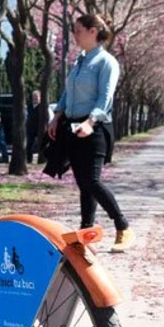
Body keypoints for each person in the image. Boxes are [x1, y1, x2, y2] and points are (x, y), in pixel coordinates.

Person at [48, 13, 133, 252]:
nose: (74, 35)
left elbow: (105, 97)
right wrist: (57, 115)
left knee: (92, 180)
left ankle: (123, 226)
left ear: (93, 31)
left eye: (78, 30)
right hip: (73, 126)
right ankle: (87, 233)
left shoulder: (106, 62)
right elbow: (68, 92)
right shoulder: (80, 62)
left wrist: (91, 121)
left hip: (95, 129)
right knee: (83, 184)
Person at [26, 91, 46, 162]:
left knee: (42, 144)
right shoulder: (29, 106)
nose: (35, 98)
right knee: (29, 145)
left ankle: (43, 159)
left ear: (40, 97)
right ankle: (29, 160)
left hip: (39, 128)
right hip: (31, 128)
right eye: (34, 97)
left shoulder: (42, 106)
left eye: (36, 97)